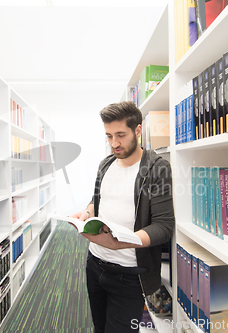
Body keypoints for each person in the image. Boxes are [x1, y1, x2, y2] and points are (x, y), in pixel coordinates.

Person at [70, 101, 175, 332]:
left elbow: (164, 226)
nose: (114, 143)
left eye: (120, 135)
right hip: (95, 265)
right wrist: (86, 213)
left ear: (138, 130)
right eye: (108, 136)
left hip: (128, 274)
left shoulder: (157, 168)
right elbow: (97, 200)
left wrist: (122, 242)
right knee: (99, 327)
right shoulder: (105, 164)